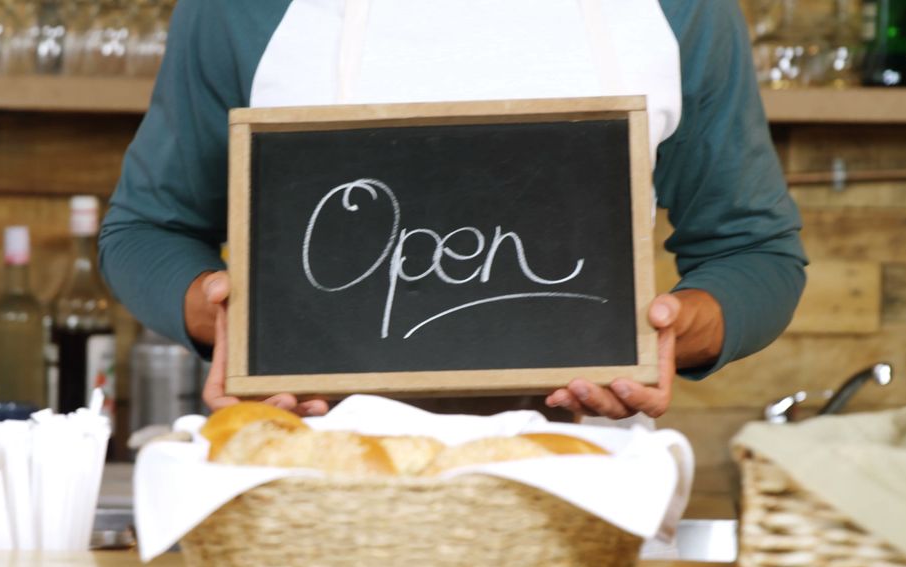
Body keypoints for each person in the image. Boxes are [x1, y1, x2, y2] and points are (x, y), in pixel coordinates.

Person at [100, 0, 807, 420]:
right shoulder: (242, 9)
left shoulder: (678, 8)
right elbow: (147, 230)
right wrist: (222, 316)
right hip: (311, 495)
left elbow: (752, 251)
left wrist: (676, 334)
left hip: (584, 495)